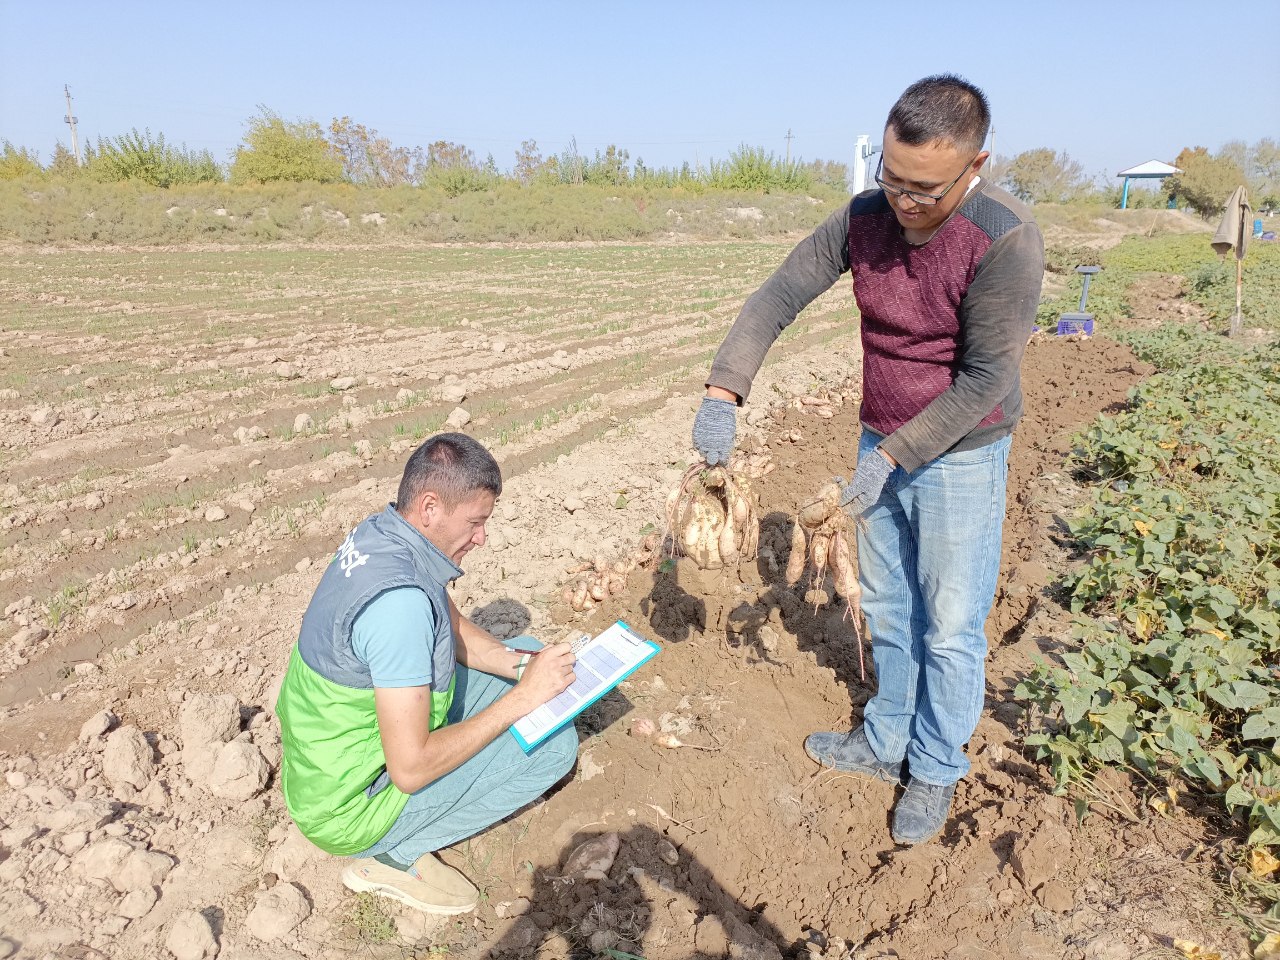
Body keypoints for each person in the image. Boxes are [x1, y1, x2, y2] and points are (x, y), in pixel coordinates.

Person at [692, 75, 1043, 845]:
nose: (906, 204)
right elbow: (778, 296)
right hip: (879, 438)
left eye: (926, 189)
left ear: (976, 163)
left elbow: (987, 378)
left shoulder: (1004, 236)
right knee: (887, 606)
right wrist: (724, 391)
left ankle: (936, 766)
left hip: (961, 453)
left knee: (949, 625)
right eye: (892, 180)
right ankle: (886, 743)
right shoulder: (863, 219)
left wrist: (895, 455)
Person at [276, 433, 579, 914]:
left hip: (331, 761)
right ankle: (393, 857)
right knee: (555, 749)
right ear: (431, 506)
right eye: (476, 522)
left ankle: (519, 671)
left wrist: (518, 666)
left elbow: (448, 621)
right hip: (352, 805)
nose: (482, 537)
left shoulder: (387, 535)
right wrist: (522, 700)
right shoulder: (399, 608)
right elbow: (411, 768)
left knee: (528, 650)